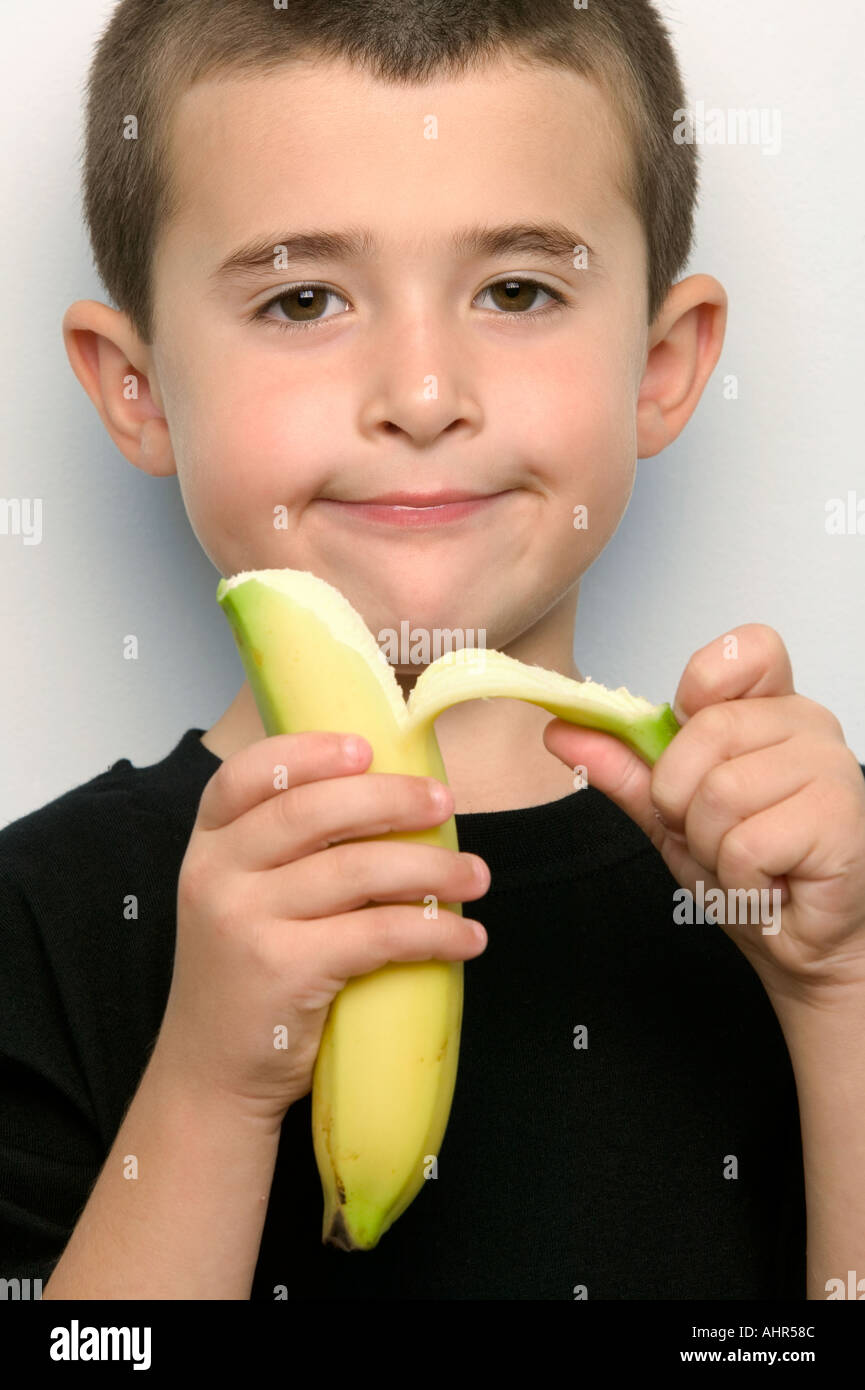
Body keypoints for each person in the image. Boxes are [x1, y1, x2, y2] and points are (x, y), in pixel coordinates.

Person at [2, 0, 863, 1301]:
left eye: (516, 290)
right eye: (302, 298)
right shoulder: (37, 927)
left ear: (663, 364)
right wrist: (212, 1089)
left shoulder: (825, 883)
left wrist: (839, 995)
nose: (419, 394)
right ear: (137, 386)